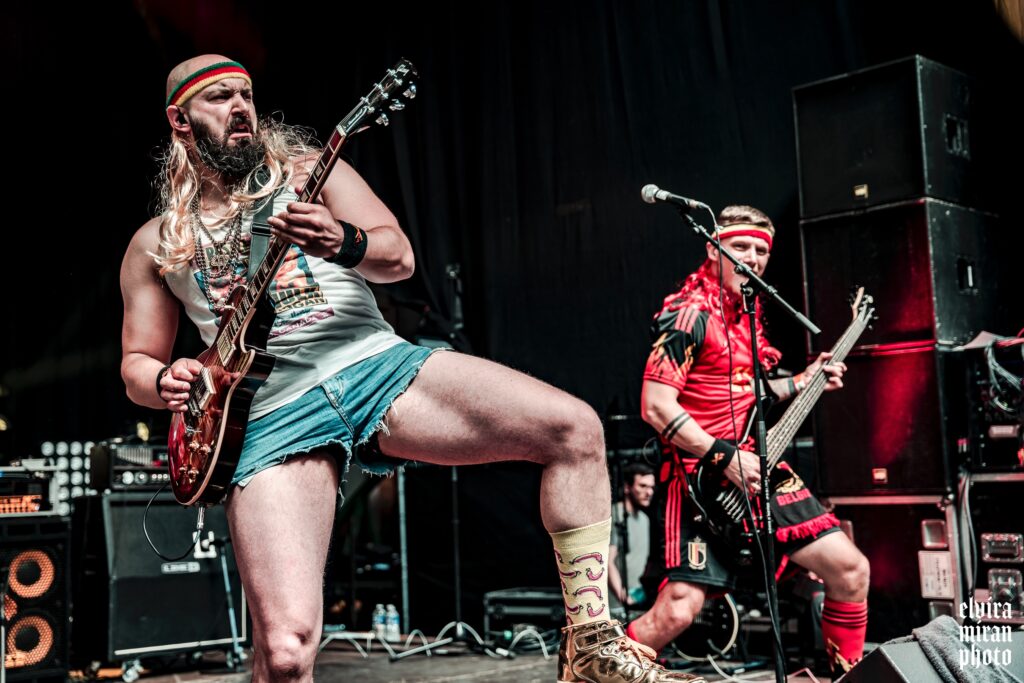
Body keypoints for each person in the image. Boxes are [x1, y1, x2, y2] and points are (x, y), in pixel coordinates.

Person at [119, 55, 702, 682]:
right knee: (284, 654)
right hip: (272, 414)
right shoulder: (156, 241)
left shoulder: (310, 171)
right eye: (219, 98)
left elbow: (398, 258)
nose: (240, 108)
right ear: (180, 121)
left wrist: (344, 241)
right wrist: (164, 380)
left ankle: (590, 644)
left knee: (574, 428)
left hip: (374, 366)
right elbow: (136, 365)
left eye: (246, 95)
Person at [628, 206, 870, 675]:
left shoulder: (744, 317)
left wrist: (803, 381)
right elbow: (655, 406)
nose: (752, 257)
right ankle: (588, 672)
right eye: (740, 246)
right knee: (678, 610)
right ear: (712, 250)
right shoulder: (689, 314)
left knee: (850, 569)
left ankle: (848, 676)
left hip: (758, 465)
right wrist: (725, 458)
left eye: (761, 250)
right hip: (701, 478)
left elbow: (743, 392)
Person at [609, 462, 655, 616]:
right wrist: (624, 597)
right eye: (643, 486)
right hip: (616, 605)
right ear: (627, 487)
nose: (649, 492)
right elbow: (607, 562)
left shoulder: (645, 520)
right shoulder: (615, 514)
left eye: (651, 487)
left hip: (638, 602)